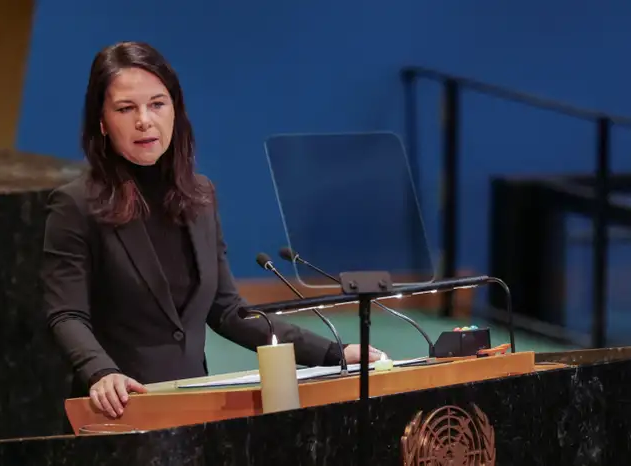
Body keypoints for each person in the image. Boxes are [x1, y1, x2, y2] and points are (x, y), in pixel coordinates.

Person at [41, 41, 385, 419]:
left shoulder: (199, 196)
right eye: (126, 108)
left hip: (193, 408)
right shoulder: (75, 205)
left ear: (175, 111)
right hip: (119, 411)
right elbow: (67, 313)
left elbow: (228, 311)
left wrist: (332, 352)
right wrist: (100, 372)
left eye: (157, 104)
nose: (144, 120)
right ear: (102, 122)